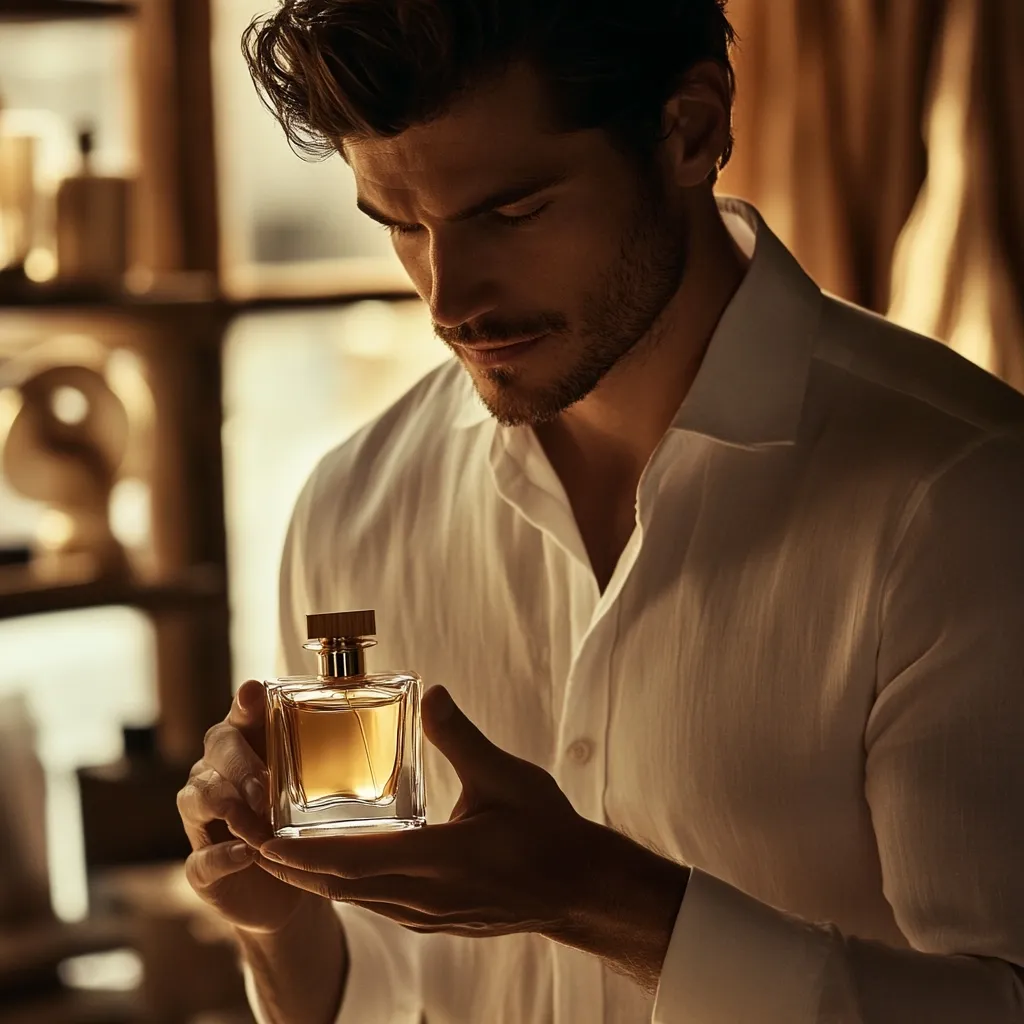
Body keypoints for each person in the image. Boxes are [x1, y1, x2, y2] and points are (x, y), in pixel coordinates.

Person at [176, 1, 1024, 1021]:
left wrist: (598, 898)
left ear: (691, 130)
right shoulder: (353, 507)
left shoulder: (963, 498)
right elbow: (387, 994)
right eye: (402, 225)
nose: (449, 299)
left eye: (513, 210)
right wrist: (283, 922)